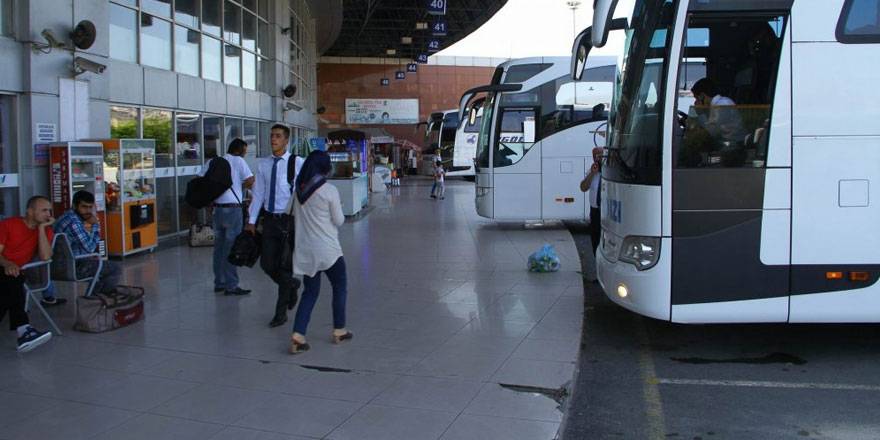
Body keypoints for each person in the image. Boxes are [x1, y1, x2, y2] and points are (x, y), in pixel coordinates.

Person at [288, 150, 352, 354]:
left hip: (306, 251)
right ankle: (339, 330)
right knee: (339, 285)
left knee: (310, 291)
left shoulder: (298, 191)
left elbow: (289, 212)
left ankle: (298, 334)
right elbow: (339, 221)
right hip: (328, 250)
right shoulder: (329, 190)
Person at [246, 124, 304, 327]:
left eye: (278, 136)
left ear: (286, 141)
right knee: (266, 264)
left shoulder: (297, 163)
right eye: (272, 135)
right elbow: (259, 194)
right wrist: (251, 221)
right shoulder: (263, 164)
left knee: (285, 266)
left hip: (289, 220)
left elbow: (302, 193)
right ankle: (292, 285)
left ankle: (280, 313)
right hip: (270, 220)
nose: (273, 139)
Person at [199, 138, 254, 295]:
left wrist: (207, 203)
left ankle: (219, 282)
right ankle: (231, 285)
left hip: (217, 210)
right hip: (233, 209)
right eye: (244, 152)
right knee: (232, 248)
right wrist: (240, 186)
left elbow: (199, 181)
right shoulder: (238, 161)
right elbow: (250, 180)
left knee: (219, 248)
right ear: (239, 151)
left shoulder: (214, 162)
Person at [0, 196, 54, 352]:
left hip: (15, 274)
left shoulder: (45, 231)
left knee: (10, 285)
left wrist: (42, 229)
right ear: (30, 212)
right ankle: (24, 330)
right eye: (43, 210)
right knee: (12, 280)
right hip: (3, 265)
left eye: (49, 210)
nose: (48, 214)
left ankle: (24, 330)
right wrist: (7, 263)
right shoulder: (9, 224)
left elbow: (45, 256)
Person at [53, 191, 123, 294]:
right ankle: (99, 300)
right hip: (72, 267)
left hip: (60, 264)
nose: (88, 211)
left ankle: (94, 300)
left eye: (90, 207)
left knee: (99, 273)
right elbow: (90, 248)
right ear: (75, 206)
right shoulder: (74, 223)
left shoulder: (66, 217)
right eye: (84, 207)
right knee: (115, 268)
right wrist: (95, 225)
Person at [690, 78, 747, 145]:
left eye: (697, 98)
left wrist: (701, 113)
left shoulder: (722, 105)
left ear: (702, 96)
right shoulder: (716, 105)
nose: (696, 102)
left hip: (734, 144)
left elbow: (710, 132)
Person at [580, 147, 603, 259]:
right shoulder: (592, 171)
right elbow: (583, 187)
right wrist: (592, 174)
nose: (597, 158)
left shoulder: (610, 170)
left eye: (600, 156)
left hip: (605, 211)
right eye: (595, 156)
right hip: (594, 211)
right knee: (595, 240)